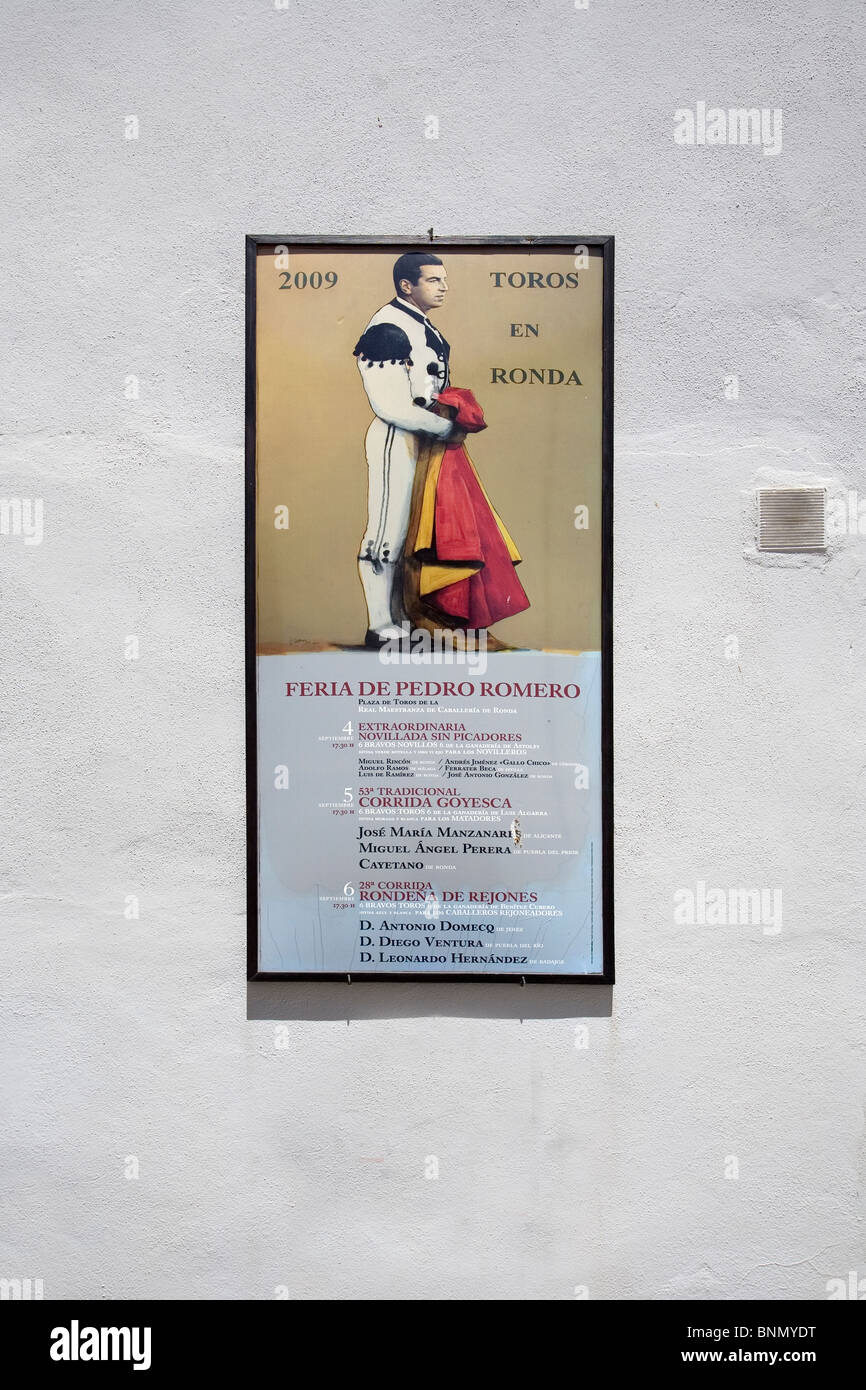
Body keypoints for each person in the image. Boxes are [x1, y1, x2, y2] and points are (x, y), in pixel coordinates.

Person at [353, 252, 463, 644]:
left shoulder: (420, 324)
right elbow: (391, 405)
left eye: (443, 279)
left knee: (414, 530)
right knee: (388, 529)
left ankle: (401, 616)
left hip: (426, 437)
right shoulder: (388, 327)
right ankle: (380, 624)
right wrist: (445, 427)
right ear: (406, 286)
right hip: (396, 437)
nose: (444, 287)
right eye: (434, 280)